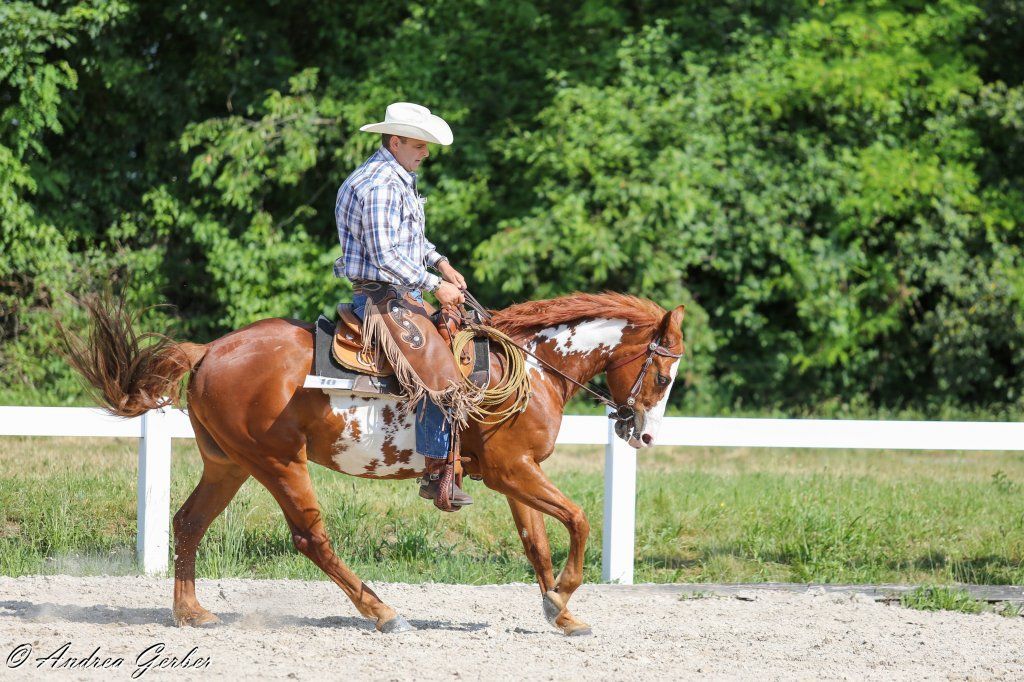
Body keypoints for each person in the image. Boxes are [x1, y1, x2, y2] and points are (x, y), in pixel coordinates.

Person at [334, 102, 474, 509]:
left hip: (397, 294)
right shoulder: (378, 184)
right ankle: (435, 473)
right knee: (440, 374)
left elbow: (410, 242)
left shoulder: (398, 178)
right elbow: (384, 256)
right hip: (378, 297)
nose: (426, 153)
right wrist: (435, 286)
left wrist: (440, 262)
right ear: (395, 141)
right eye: (419, 145)